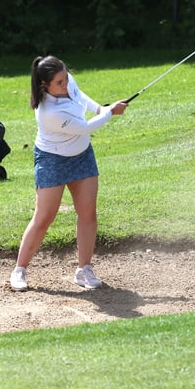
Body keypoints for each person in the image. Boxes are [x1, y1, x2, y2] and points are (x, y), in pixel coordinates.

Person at [10, 55, 128, 291]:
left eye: (66, 79)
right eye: (59, 83)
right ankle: (19, 270)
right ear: (45, 85)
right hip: (52, 160)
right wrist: (110, 112)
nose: (65, 85)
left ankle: (84, 269)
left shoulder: (67, 80)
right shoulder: (48, 112)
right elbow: (84, 127)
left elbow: (80, 96)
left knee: (88, 213)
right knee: (44, 217)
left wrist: (100, 108)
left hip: (82, 155)